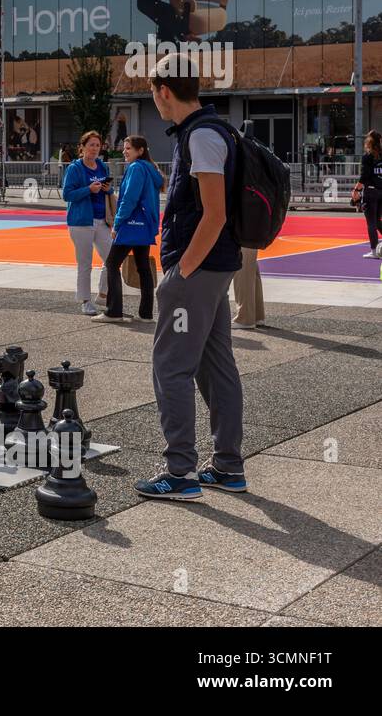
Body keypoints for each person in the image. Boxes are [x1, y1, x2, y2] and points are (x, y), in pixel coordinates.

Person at [136, 53, 246, 501]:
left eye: (153, 94)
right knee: (215, 365)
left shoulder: (200, 136)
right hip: (217, 268)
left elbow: (214, 214)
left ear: (164, 91)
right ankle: (227, 466)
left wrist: (181, 271)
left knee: (171, 366)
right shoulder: (211, 129)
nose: (156, 102)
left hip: (198, 269)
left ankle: (180, 472)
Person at [93, 135, 163, 323]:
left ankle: (113, 311)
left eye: (128, 148)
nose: (124, 151)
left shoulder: (136, 168)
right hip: (145, 225)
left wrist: (117, 222)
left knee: (112, 264)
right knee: (143, 268)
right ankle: (146, 313)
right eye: (124, 148)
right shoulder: (151, 169)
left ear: (140, 151)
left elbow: (129, 199)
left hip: (132, 224)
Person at [62, 131, 114, 316]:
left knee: (112, 258)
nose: (94, 148)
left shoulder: (102, 166)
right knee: (85, 264)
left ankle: (103, 293)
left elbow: (109, 190)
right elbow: (67, 194)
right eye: (91, 145)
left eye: (97, 145)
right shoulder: (75, 168)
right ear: (82, 147)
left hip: (102, 220)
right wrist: (88, 189)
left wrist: (108, 189)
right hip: (81, 221)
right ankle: (85, 301)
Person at [231, 121, 266, 330]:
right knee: (251, 268)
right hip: (256, 217)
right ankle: (257, 314)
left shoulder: (242, 159)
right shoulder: (257, 156)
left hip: (244, 218)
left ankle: (245, 317)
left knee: (242, 267)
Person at [352, 129, 382, 260]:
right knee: (377, 221)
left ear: (368, 142)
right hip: (381, 192)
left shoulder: (367, 157)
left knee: (371, 223)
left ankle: (374, 251)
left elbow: (364, 176)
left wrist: (356, 190)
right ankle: (375, 250)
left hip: (370, 192)